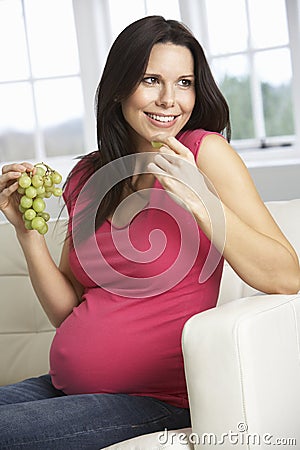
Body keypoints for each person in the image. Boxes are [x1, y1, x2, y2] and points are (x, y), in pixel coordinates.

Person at [0, 15, 299, 450]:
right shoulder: (88, 175)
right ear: (121, 87)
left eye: (184, 83)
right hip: (67, 387)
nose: (168, 99)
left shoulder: (206, 153)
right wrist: (27, 235)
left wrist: (200, 200)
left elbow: (287, 276)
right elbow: (70, 311)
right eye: (150, 79)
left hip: (156, 398)